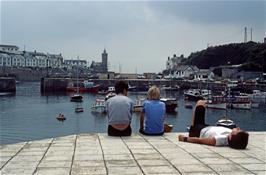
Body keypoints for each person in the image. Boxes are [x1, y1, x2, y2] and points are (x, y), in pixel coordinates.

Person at [178, 100, 249, 149]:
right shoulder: (230, 136)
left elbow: (201, 141)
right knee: (201, 104)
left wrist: (185, 139)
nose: (238, 128)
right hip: (207, 127)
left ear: (230, 137)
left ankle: (192, 129)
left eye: (238, 131)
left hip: (199, 130)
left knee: (200, 103)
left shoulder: (222, 139)